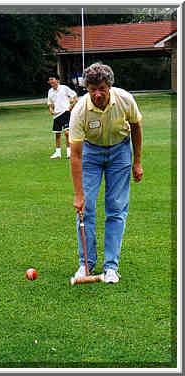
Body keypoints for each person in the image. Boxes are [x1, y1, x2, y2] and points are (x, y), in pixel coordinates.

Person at [69, 63, 143, 284]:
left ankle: (111, 266)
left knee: (116, 208)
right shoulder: (80, 110)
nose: (98, 94)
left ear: (109, 86)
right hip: (90, 153)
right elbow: (75, 154)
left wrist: (137, 161)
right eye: (92, 89)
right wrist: (78, 194)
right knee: (86, 208)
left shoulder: (125, 99)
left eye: (102, 88)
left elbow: (136, 127)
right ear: (87, 89)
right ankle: (86, 264)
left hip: (120, 150)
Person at [47, 75, 78, 159]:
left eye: (52, 79)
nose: (51, 82)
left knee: (67, 133)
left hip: (65, 112)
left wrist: (72, 105)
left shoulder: (64, 88)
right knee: (57, 134)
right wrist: (50, 109)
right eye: (49, 80)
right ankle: (58, 153)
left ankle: (69, 152)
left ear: (57, 80)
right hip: (56, 115)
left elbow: (74, 96)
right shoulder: (50, 91)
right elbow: (49, 103)